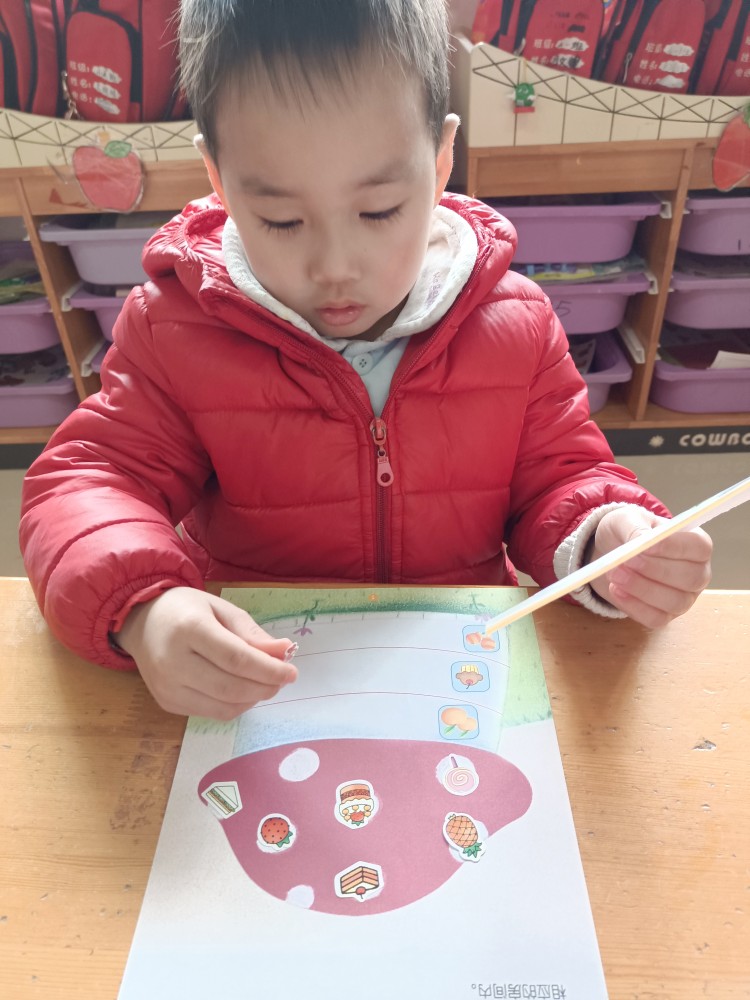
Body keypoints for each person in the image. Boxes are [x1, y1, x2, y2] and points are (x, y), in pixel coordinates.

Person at [20, 0, 712, 721]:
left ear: (440, 163)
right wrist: (145, 607)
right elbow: (86, 484)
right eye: (281, 220)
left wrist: (607, 537)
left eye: (378, 211)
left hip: (455, 673)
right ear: (218, 179)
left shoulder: (517, 323)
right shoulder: (176, 328)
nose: (334, 266)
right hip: (258, 682)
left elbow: (561, 480)